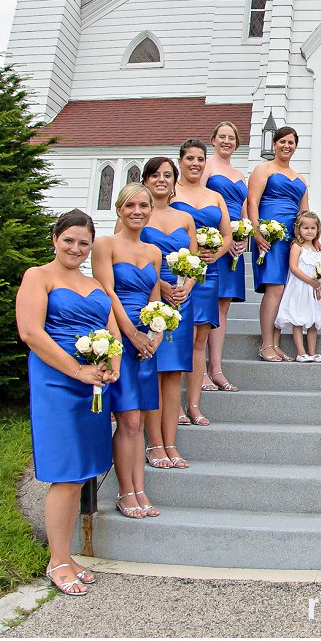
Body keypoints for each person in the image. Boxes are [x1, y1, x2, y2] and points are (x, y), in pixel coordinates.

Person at [17, 210, 119, 598]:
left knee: (81, 470)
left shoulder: (95, 284)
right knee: (66, 469)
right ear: (55, 239)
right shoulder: (38, 277)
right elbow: (31, 332)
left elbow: (112, 334)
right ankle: (57, 560)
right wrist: (76, 371)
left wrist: (110, 368)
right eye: (69, 240)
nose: (76, 248)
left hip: (93, 385)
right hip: (58, 381)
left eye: (84, 243)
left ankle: (67, 554)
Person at [92, 183, 164, 519]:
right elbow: (107, 292)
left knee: (139, 423)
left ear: (152, 210)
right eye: (131, 205)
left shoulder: (154, 252)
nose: (138, 211)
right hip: (119, 338)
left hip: (146, 344)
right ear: (119, 209)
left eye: (144, 206)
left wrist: (155, 334)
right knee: (128, 418)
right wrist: (131, 334)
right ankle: (124, 491)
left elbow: (156, 301)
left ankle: (140, 489)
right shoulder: (104, 245)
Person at [138, 156, 198, 465]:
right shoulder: (136, 215)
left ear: (174, 181)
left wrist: (186, 287)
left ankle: (171, 443)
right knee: (153, 372)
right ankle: (154, 443)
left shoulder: (185, 218)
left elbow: (194, 261)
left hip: (182, 302)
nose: (161, 179)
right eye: (155, 175)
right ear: (146, 180)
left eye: (167, 175)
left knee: (174, 373)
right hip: (150, 300)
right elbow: (130, 259)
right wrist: (161, 286)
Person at [170, 140, 230, 424]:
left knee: (200, 339)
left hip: (209, 272)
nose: (195, 163)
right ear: (180, 161)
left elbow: (227, 234)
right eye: (190, 158)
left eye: (200, 159)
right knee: (180, 337)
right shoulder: (170, 193)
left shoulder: (215, 196)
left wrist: (215, 253)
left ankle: (194, 404)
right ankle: (175, 405)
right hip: (178, 272)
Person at [245, 125, 308, 361]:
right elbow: (252, 202)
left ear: (295, 147)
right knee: (274, 288)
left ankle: (277, 342)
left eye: (291, 142)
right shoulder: (263, 170)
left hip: (291, 240)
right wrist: (256, 231)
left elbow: (305, 214)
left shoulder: (300, 178)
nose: (286, 146)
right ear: (274, 144)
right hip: (269, 237)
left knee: (285, 290)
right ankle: (265, 344)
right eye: (282, 141)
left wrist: (310, 243)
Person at [202, 121, 250, 390]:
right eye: (222, 136)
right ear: (213, 139)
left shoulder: (239, 174)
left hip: (235, 245)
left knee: (223, 306)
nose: (226, 141)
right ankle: (202, 370)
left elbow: (243, 212)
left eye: (231, 137)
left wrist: (242, 237)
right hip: (211, 239)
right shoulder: (206, 166)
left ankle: (216, 367)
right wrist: (222, 237)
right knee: (207, 304)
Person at [278, 211, 321, 362]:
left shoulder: (317, 249)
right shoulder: (297, 246)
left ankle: (313, 352)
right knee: (299, 319)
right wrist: (310, 281)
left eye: (312, 228)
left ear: (318, 230)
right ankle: (301, 352)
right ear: (298, 229)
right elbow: (293, 267)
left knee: (313, 321)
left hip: (314, 290)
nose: (309, 231)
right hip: (300, 287)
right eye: (306, 228)